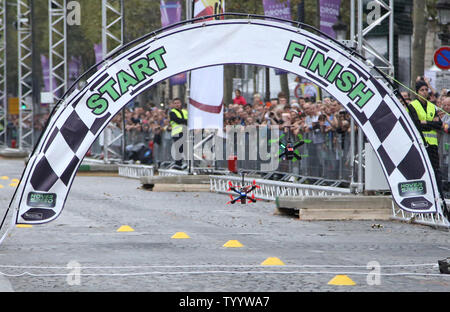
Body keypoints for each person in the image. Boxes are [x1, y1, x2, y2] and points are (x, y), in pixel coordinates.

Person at [408, 79, 448, 219]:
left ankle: (439, 200)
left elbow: (439, 125)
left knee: (436, 172)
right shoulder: (413, 106)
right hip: (420, 144)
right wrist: (430, 123)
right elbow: (416, 124)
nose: (425, 92)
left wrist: (426, 122)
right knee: (421, 173)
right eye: (422, 90)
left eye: (426, 90)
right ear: (417, 92)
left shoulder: (432, 107)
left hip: (432, 144)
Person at [169, 97, 188, 167]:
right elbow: (177, 120)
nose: (177, 105)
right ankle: (178, 163)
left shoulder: (185, 112)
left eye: (178, 103)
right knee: (179, 148)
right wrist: (185, 121)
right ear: (173, 105)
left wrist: (184, 121)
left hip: (185, 131)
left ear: (181, 103)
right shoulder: (172, 112)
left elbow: (189, 120)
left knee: (185, 147)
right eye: (175, 103)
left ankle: (185, 162)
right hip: (177, 132)